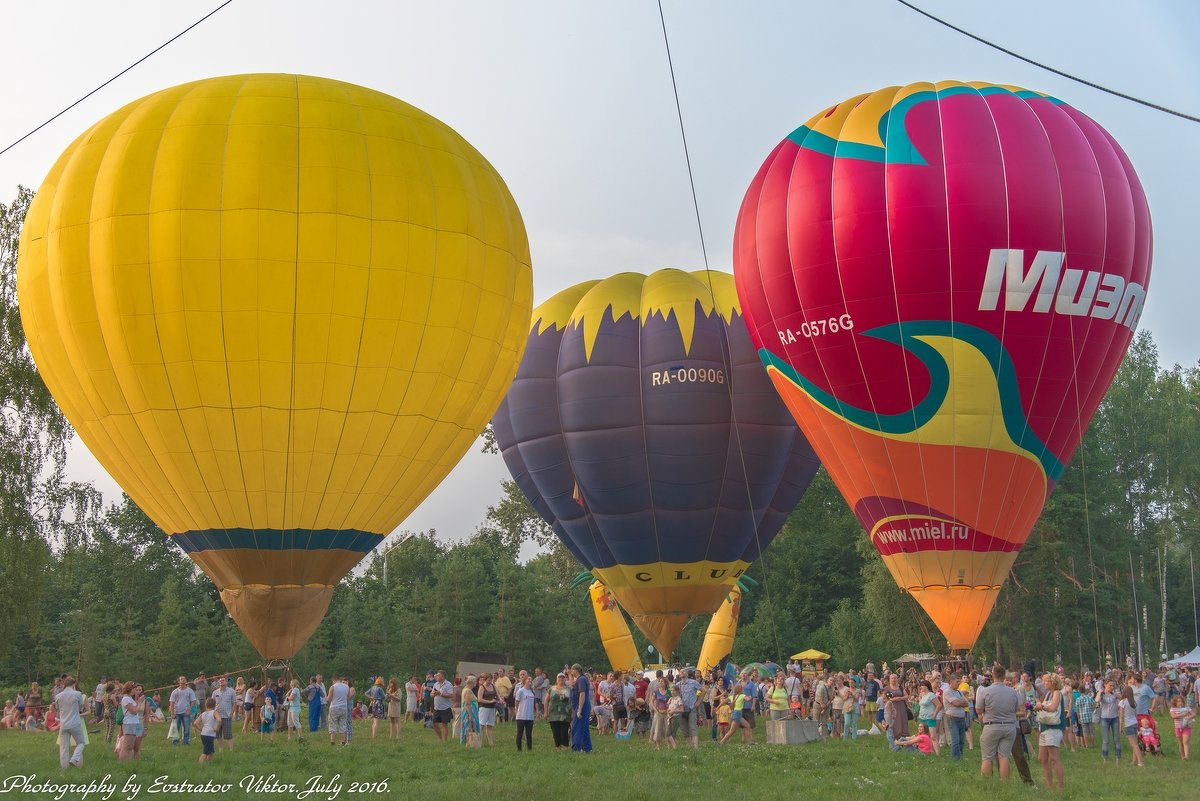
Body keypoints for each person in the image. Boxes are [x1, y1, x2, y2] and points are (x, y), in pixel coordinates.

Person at [975, 664, 1019, 780]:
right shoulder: (1013, 692)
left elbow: (978, 709)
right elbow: (1016, 709)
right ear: (1004, 676)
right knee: (1004, 756)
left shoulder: (985, 691)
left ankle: (987, 783)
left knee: (987, 756)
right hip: (1009, 726)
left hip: (992, 725)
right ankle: (1004, 782)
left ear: (993, 675)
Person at [1033, 673, 1065, 791]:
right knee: (1042, 758)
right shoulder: (1047, 694)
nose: (1045, 683)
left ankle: (1059, 786)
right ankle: (1049, 785)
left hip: (1053, 728)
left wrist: (1041, 706)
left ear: (1053, 683)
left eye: (1047, 681)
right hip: (1045, 728)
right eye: (1044, 681)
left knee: (1054, 758)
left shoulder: (1057, 693)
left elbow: (1053, 708)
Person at [53, 676, 86, 769]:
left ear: (64, 684)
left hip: (63, 724)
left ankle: (64, 768)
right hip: (75, 723)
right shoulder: (78, 694)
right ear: (74, 684)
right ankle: (74, 759)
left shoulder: (58, 696)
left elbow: (58, 709)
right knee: (81, 743)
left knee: (63, 748)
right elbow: (80, 708)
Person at [942, 673, 968, 759]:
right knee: (955, 740)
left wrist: (959, 703)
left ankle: (960, 756)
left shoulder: (959, 692)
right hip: (952, 719)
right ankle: (955, 759)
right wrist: (960, 703)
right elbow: (956, 703)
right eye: (957, 681)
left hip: (961, 719)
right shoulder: (947, 692)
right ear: (951, 681)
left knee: (961, 740)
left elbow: (966, 703)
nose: (959, 683)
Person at [882, 673, 910, 751]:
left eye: (895, 678)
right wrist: (893, 699)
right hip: (891, 708)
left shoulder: (900, 687)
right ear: (889, 679)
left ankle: (903, 738)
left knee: (902, 721)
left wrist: (900, 698)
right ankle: (894, 740)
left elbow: (907, 696)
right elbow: (884, 698)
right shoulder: (887, 688)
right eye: (892, 678)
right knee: (894, 722)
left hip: (901, 707)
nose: (894, 679)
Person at [569, 663, 592, 753]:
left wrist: (579, 710)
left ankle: (576, 748)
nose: (571, 671)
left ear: (576, 670)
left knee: (577, 726)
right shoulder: (580, 679)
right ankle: (587, 748)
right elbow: (572, 684)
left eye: (572, 670)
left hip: (582, 706)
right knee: (584, 727)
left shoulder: (581, 679)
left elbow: (582, 694)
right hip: (582, 706)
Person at [1096, 679, 1121, 762]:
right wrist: (1100, 692)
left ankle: (1118, 758)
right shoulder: (1102, 694)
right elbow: (1097, 700)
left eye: (1113, 685)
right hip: (1105, 719)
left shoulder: (1115, 694)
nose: (1112, 687)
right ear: (1105, 685)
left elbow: (1122, 700)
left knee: (1116, 739)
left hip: (1115, 718)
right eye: (1110, 685)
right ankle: (1105, 758)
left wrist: (1118, 696)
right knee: (1105, 740)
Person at [1119, 685, 1144, 766]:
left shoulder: (1122, 702)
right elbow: (1136, 714)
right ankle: (1134, 761)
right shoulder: (1134, 702)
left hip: (1128, 724)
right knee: (1135, 743)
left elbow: (1121, 716)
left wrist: (1120, 728)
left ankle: (1140, 762)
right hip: (1134, 723)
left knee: (1134, 745)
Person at [169, 676, 196, 747]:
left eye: (184, 679)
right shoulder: (175, 691)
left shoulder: (190, 691)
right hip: (177, 713)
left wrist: (189, 709)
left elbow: (193, 701)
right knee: (176, 728)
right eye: (181, 679)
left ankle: (186, 742)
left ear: (186, 681)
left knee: (186, 729)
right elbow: (172, 702)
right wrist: (172, 713)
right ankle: (175, 743)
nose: (183, 680)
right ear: (179, 682)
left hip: (186, 713)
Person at [546, 672, 571, 749]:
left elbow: (572, 701)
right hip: (553, 714)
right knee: (555, 732)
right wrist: (545, 712)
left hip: (565, 715)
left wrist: (572, 713)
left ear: (565, 679)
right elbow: (546, 701)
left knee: (564, 732)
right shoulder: (551, 689)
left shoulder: (569, 689)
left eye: (563, 678)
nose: (561, 679)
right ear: (556, 679)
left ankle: (565, 747)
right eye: (559, 678)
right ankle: (557, 747)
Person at [210, 676, 236, 751]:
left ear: (226, 682)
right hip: (217, 716)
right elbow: (212, 703)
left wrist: (232, 713)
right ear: (218, 682)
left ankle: (231, 750)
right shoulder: (215, 692)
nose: (221, 681)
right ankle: (220, 749)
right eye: (220, 680)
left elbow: (234, 703)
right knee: (217, 735)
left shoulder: (231, 691)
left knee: (228, 734)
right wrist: (212, 713)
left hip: (227, 715)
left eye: (223, 680)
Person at [193, 698, 219, 764]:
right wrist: (217, 728)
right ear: (215, 705)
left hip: (203, 734)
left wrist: (200, 729)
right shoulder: (214, 712)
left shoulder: (203, 714)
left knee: (210, 750)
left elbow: (195, 723)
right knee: (205, 752)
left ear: (205, 705)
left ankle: (210, 763)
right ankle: (200, 764)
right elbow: (219, 720)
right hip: (209, 735)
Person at [328, 675, 351, 745]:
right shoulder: (347, 687)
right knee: (343, 725)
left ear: (334, 680)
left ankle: (332, 742)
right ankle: (343, 742)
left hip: (334, 707)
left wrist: (325, 698)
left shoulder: (333, 687)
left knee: (333, 724)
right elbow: (348, 698)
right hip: (344, 707)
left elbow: (329, 699)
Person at [515, 673, 536, 751]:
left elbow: (534, 703)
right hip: (521, 716)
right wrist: (516, 712)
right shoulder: (521, 691)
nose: (530, 681)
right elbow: (517, 702)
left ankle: (529, 749)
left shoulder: (532, 692)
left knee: (529, 734)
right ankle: (519, 749)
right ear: (525, 681)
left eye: (531, 679)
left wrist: (535, 712)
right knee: (520, 733)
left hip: (529, 716)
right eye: (528, 679)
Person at [1169, 695, 1192, 760]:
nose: (1180, 703)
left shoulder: (1186, 708)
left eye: (1181, 701)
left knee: (1185, 742)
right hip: (1178, 728)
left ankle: (1186, 757)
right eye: (1178, 701)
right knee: (1180, 743)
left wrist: (1189, 717)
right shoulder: (1172, 709)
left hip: (1186, 727)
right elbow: (1173, 717)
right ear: (1175, 702)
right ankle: (1182, 756)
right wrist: (1182, 714)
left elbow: (1193, 714)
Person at [460, 676, 480, 747]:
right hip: (469, 712)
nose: (476, 684)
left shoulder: (466, 689)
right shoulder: (468, 691)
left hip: (470, 711)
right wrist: (470, 715)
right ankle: (469, 744)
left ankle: (469, 744)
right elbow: (467, 704)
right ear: (471, 682)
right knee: (469, 727)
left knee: (469, 727)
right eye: (475, 682)